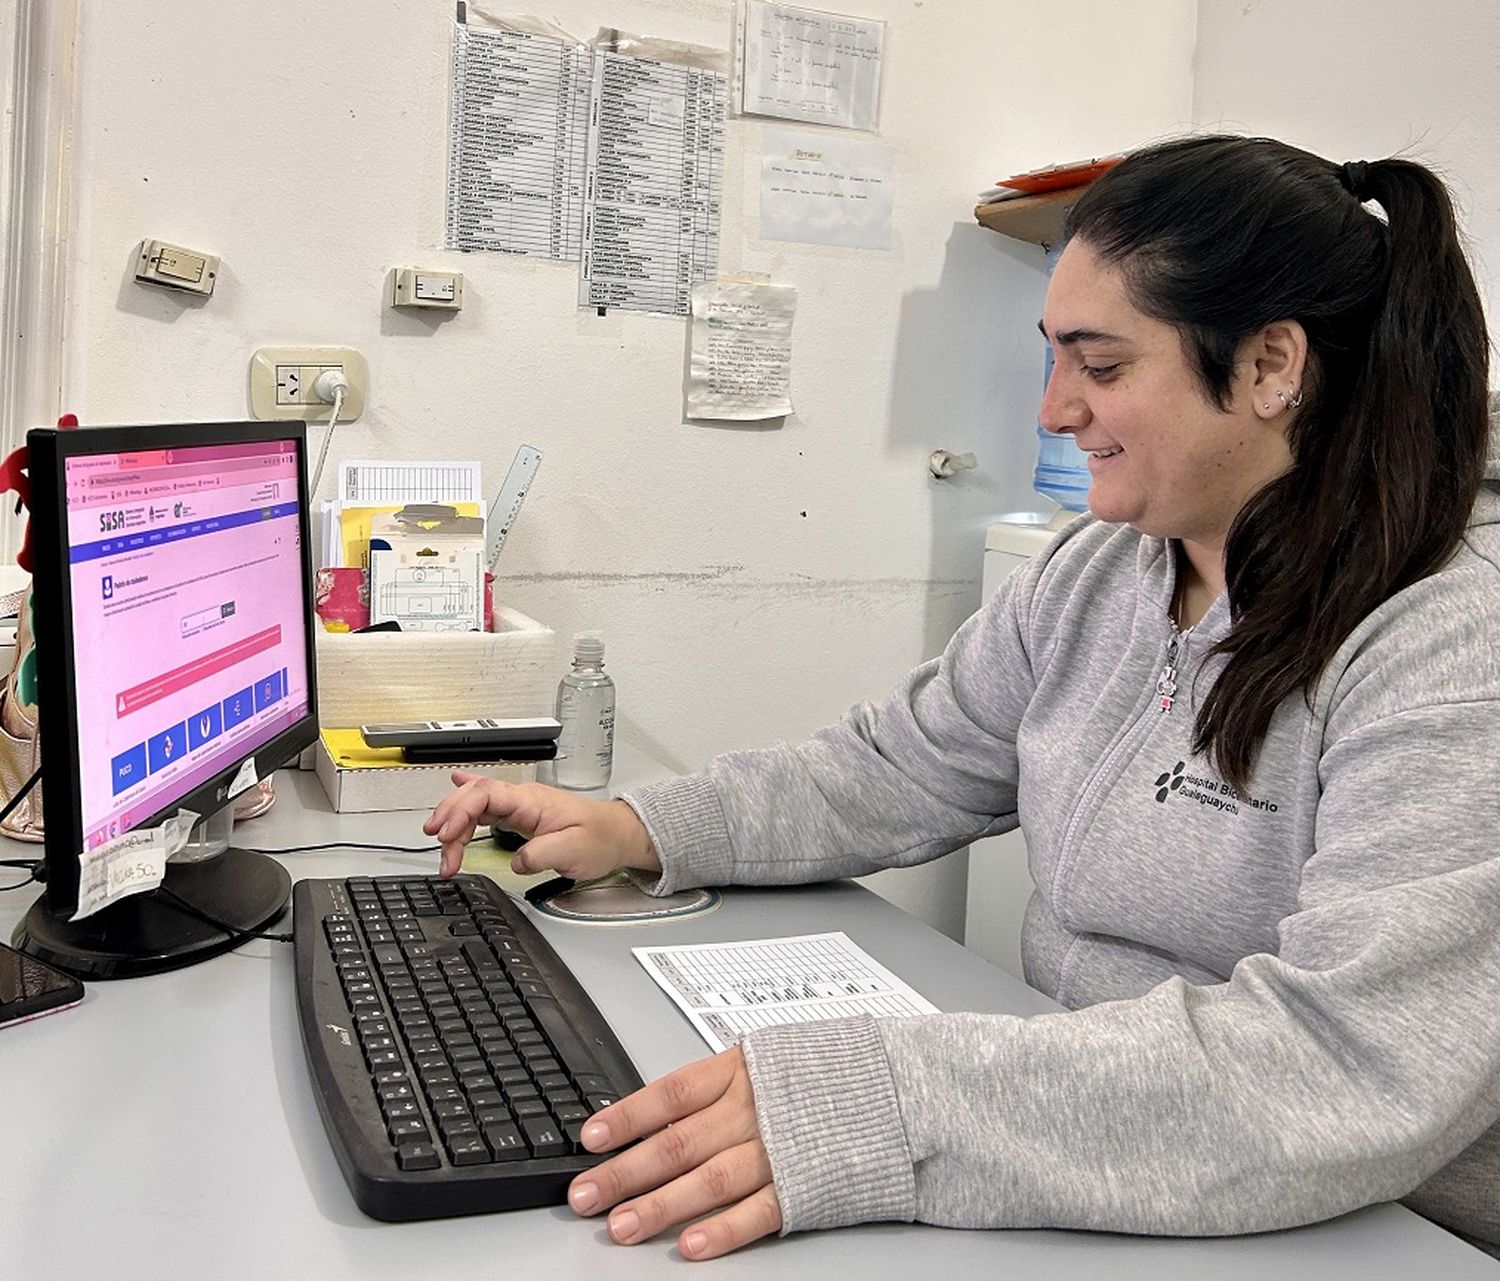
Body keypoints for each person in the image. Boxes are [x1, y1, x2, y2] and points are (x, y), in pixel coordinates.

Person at [426, 134, 1500, 1261]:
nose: (1052, 412)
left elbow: (1349, 1064)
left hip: (1378, 1223)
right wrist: (643, 827)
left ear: (1273, 364)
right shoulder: (1101, 573)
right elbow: (899, 768)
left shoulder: (1450, 645)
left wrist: (892, 1099)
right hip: (1110, 1140)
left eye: (1101, 365)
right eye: (1053, 360)